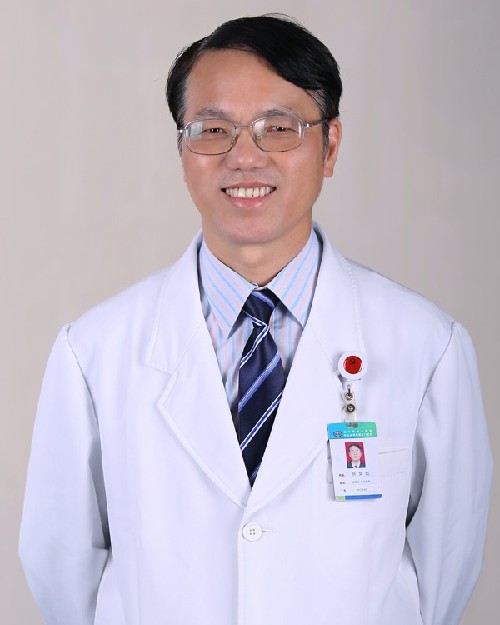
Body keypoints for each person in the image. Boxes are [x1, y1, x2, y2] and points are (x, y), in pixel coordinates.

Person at [19, 14, 492, 625]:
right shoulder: (93, 351)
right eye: (213, 129)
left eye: (279, 129)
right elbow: (61, 569)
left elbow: (445, 571)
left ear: (330, 146)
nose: (244, 157)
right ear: (183, 150)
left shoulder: (428, 346)